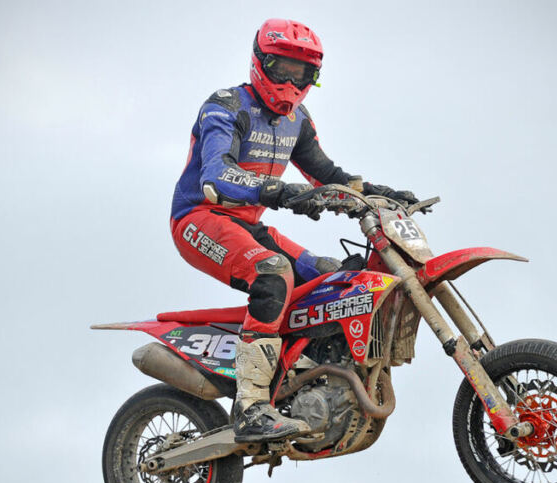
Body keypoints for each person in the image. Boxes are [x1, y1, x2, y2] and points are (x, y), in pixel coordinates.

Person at [170, 18, 419, 443]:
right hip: (199, 218)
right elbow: (216, 175)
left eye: (300, 71)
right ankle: (250, 407)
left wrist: (381, 194)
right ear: (260, 62)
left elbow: (328, 175)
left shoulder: (297, 120)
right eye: (282, 67)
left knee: (333, 278)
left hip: (247, 225)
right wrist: (281, 192)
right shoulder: (225, 106)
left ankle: (301, 379)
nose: (290, 80)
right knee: (272, 272)